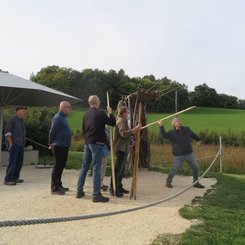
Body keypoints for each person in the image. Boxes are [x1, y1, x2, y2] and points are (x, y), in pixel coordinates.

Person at [76, 95, 116, 202]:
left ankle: (79, 191)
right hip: (97, 143)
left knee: (84, 167)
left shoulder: (85, 114)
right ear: (97, 102)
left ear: (90, 103)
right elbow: (113, 123)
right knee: (96, 168)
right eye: (99, 101)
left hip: (87, 143)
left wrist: (87, 140)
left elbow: (83, 130)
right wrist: (111, 112)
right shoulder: (100, 113)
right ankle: (96, 194)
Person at [158, 117, 205, 189]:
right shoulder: (171, 133)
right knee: (175, 169)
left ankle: (196, 183)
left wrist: (198, 140)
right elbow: (164, 135)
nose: (179, 122)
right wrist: (161, 125)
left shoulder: (186, 129)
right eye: (177, 121)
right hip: (178, 155)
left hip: (189, 153)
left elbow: (192, 134)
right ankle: (168, 181)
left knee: (195, 167)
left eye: (179, 121)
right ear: (173, 124)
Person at [110, 106, 142, 197]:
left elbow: (126, 135)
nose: (128, 114)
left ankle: (119, 186)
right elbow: (124, 133)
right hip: (120, 148)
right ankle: (113, 189)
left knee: (121, 169)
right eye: (127, 113)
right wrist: (135, 129)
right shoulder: (121, 121)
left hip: (123, 147)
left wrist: (132, 141)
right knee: (118, 170)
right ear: (123, 113)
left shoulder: (123, 121)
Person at [49, 101, 72, 195]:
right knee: (57, 166)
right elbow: (52, 131)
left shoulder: (63, 117)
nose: (70, 109)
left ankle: (59, 185)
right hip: (58, 145)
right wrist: (50, 143)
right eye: (69, 107)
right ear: (63, 107)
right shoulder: (58, 117)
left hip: (64, 145)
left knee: (61, 166)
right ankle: (54, 188)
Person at [4, 106, 27, 185]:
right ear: (18, 111)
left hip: (21, 144)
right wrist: (11, 143)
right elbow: (7, 133)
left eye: (24, 111)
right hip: (14, 144)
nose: (24, 112)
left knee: (19, 162)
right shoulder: (12, 120)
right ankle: (8, 179)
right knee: (12, 162)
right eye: (23, 111)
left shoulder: (21, 121)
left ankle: (15, 177)